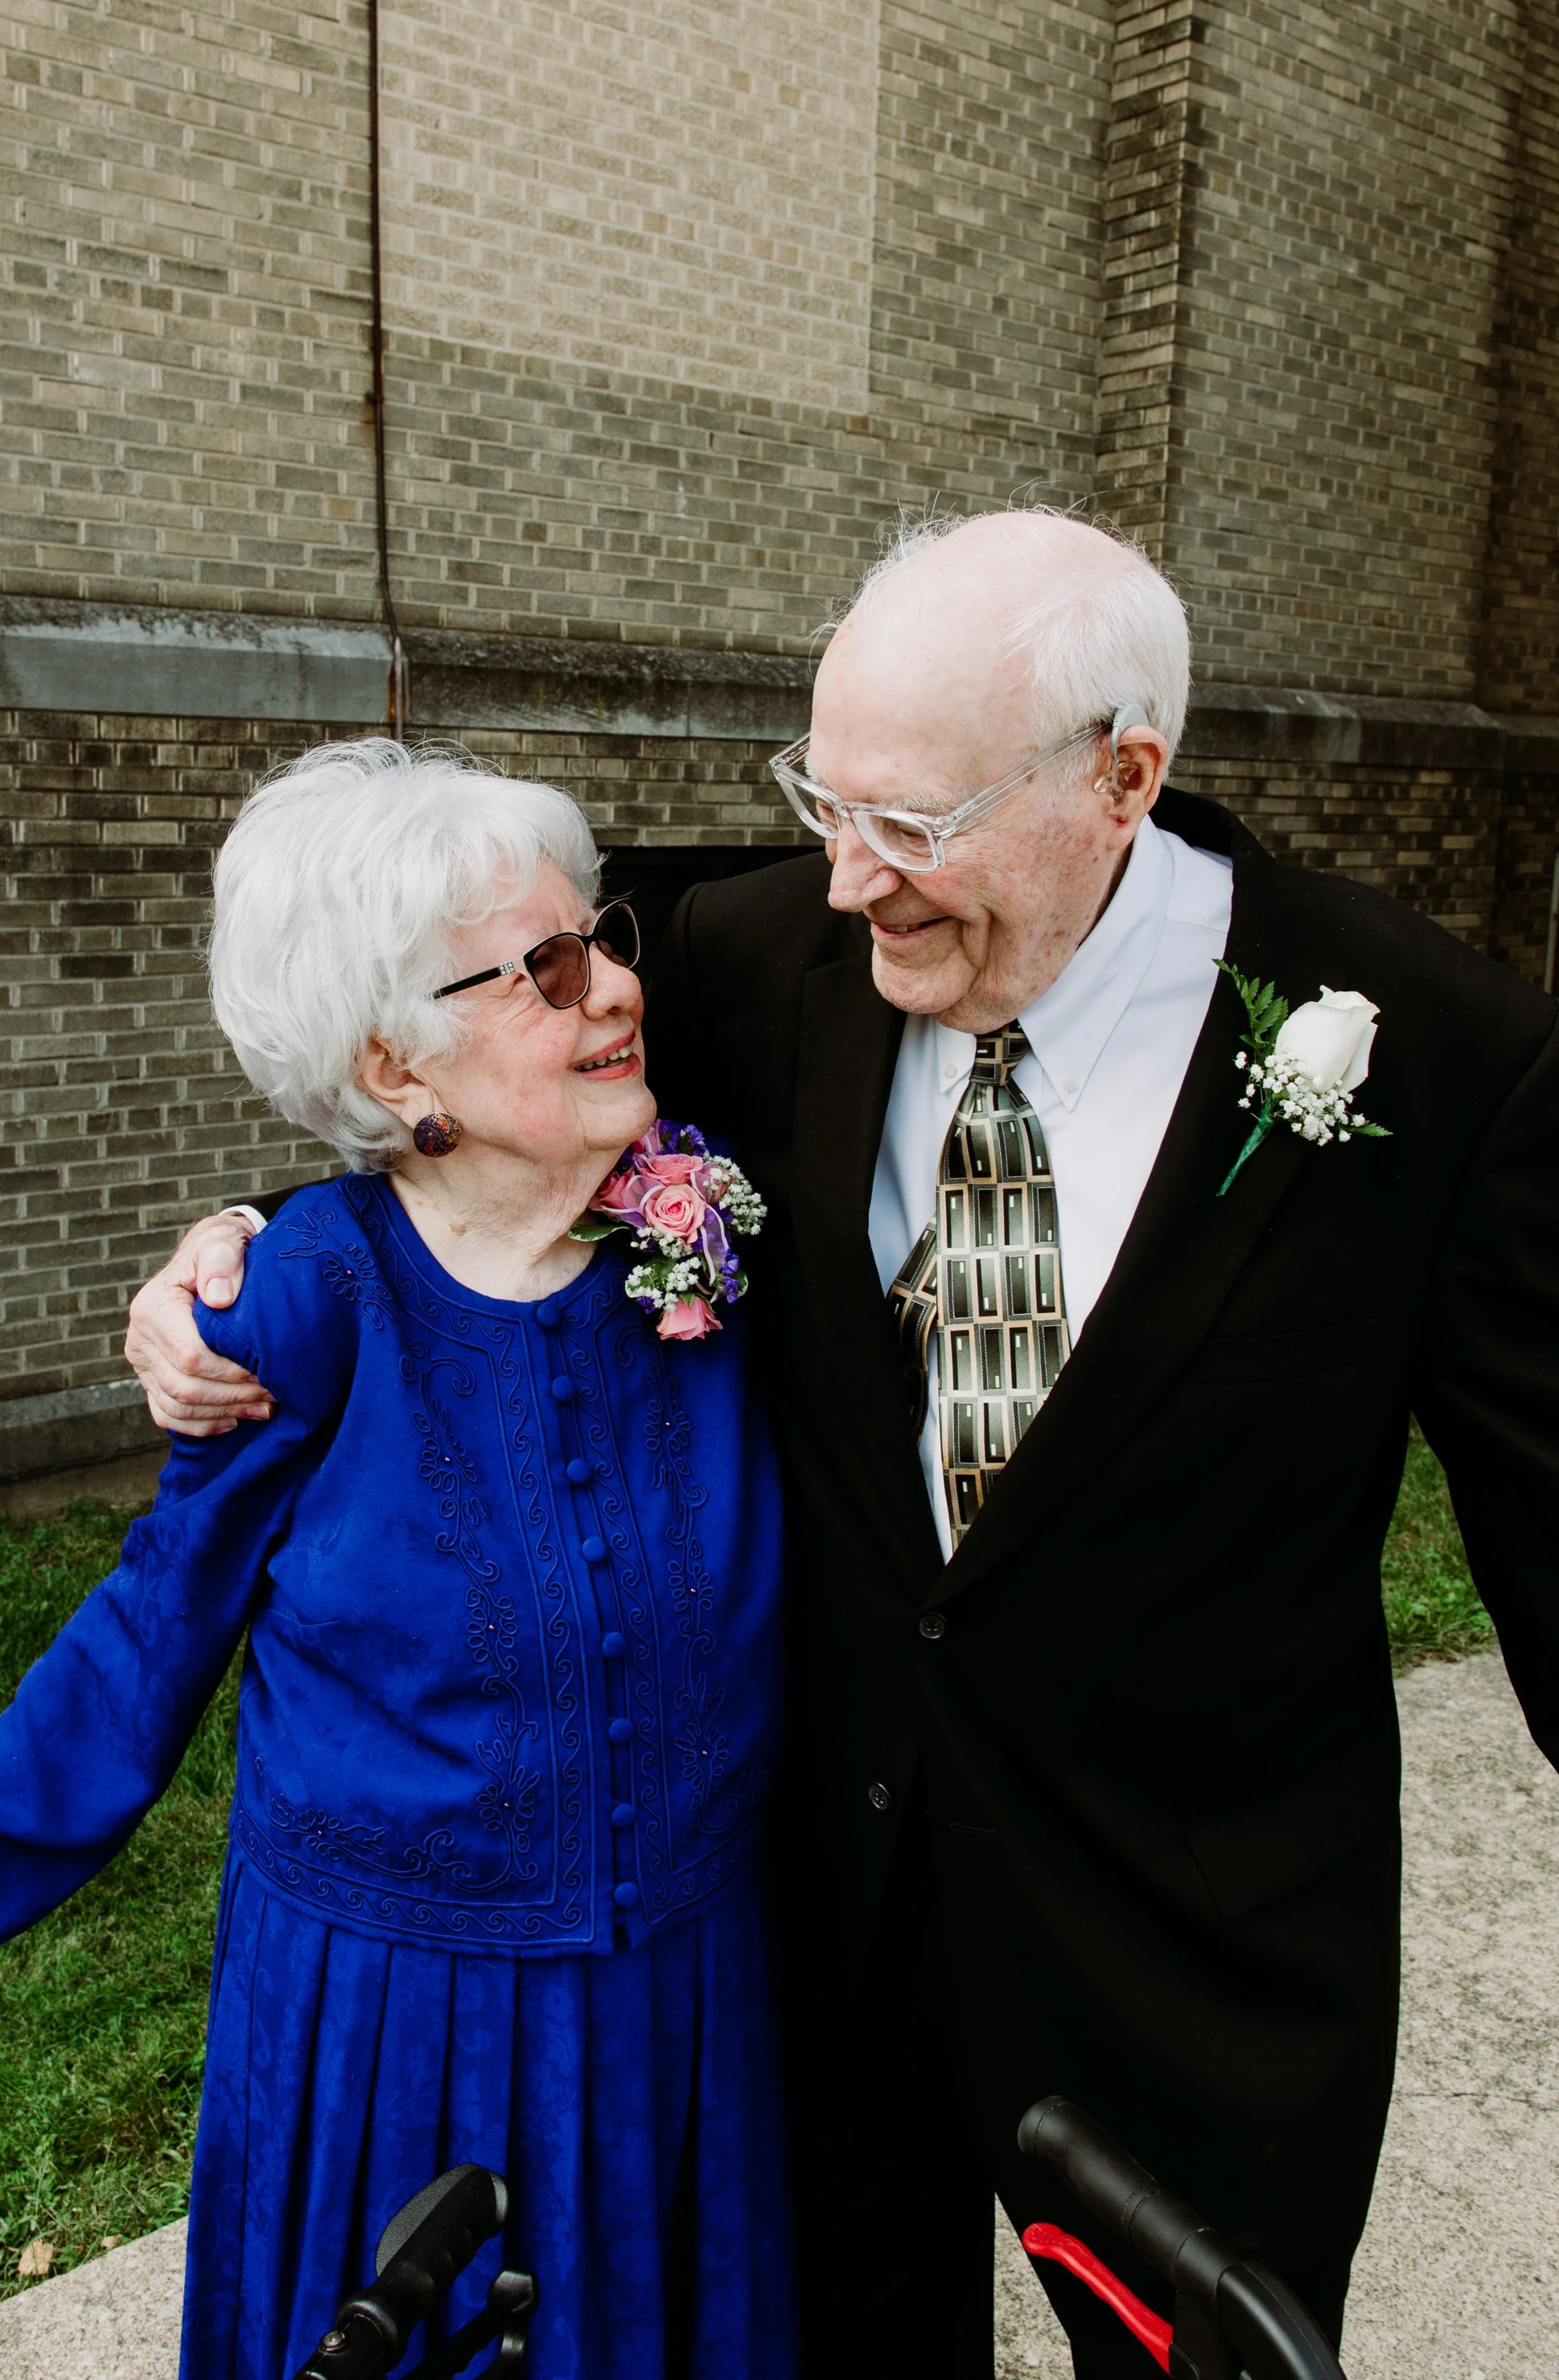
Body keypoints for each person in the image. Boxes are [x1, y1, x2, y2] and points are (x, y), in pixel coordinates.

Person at [127, 509, 1559, 2377]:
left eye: (910, 824)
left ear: (1123, 779)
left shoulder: (1444, 1058)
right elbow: (457, 1063)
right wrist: (243, 1250)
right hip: (816, 1938)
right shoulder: (746, 953)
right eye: (822, 797)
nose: (846, 873)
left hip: (1190, 1969)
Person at [0, 743, 794, 2380]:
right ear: (398, 1063)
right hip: (398, 2037)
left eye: (600, 935)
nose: (611, 986)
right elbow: (139, 1651)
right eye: (543, 969)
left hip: (678, 2010)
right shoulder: (305, 1300)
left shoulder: (709, 1225)